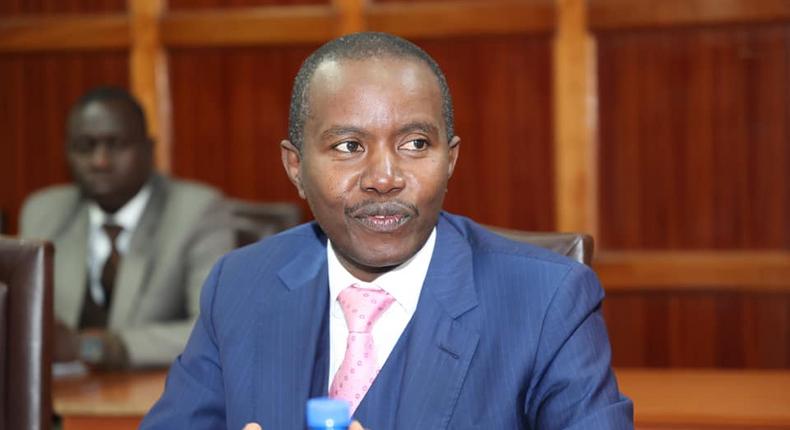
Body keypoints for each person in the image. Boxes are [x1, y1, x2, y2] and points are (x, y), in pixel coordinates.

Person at [141, 32, 633, 429]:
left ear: (450, 160)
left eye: (416, 144)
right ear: (295, 167)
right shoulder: (241, 285)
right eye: (349, 146)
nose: (384, 177)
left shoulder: (546, 300)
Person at [20, 87, 235, 369]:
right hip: (62, 397)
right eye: (85, 146)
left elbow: (213, 329)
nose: (100, 161)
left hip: (152, 395)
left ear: (149, 150)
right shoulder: (43, 212)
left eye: (117, 145)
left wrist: (92, 348)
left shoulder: (196, 211)